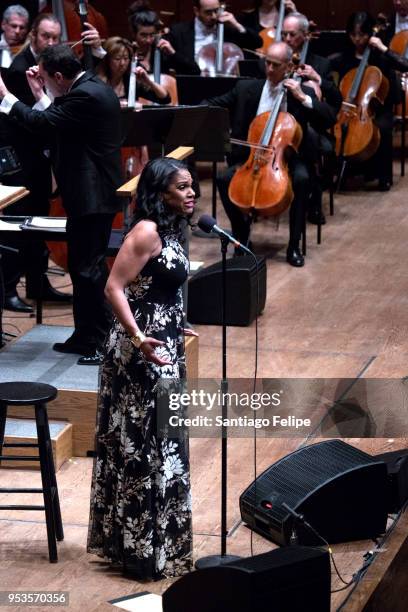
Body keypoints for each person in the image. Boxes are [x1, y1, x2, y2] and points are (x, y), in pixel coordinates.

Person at [87, 157, 195, 580]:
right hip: (140, 351)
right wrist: (137, 336)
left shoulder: (173, 229)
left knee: (165, 444)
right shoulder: (146, 231)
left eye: (191, 186)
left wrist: (174, 316)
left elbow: (155, 285)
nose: (190, 194)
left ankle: (160, 544)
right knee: (144, 447)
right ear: (160, 192)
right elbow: (114, 287)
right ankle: (141, 550)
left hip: (164, 344)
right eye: (182, 187)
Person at [0, 44, 123, 363]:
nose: (43, 82)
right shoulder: (90, 86)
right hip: (88, 196)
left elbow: (43, 124)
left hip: (93, 198)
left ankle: (100, 341)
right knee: (82, 269)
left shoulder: (86, 95)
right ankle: (84, 336)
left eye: (45, 77)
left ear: (58, 75)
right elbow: (58, 122)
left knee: (89, 270)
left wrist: (4, 96)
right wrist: (39, 90)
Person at [203, 41, 336, 267]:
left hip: (288, 158)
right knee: (224, 179)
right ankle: (242, 236)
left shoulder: (301, 93)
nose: (270, 69)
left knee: (303, 180)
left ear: (288, 67)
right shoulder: (247, 89)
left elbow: (329, 118)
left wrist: (303, 98)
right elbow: (215, 103)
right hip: (252, 157)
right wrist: (193, 110)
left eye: (276, 65)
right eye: (268, 63)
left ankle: (294, 245)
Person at [330, 11, 408, 191]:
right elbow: (326, 65)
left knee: (383, 128)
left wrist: (384, 48)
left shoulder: (380, 56)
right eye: (353, 34)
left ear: (370, 34)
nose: (357, 39)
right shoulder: (345, 56)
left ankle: (383, 176)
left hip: (377, 108)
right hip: (350, 108)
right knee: (339, 128)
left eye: (362, 34)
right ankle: (344, 173)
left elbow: (405, 65)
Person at [281, 11, 342, 224]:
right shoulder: (277, 59)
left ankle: (314, 200)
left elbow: (334, 103)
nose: (287, 40)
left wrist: (317, 80)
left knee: (317, 145)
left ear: (306, 35)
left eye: (292, 35)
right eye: (283, 35)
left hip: (311, 124)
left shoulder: (321, 64)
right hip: (280, 123)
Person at [166, 0, 262, 75]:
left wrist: (237, 25)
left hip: (226, 87)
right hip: (192, 83)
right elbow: (176, 65)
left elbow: (257, 43)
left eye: (216, 10)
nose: (214, 16)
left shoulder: (228, 29)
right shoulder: (178, 31)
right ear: (196, 11)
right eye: (208, 12)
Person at [97, 36, 170, 105]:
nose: (122, 63)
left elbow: (165, 99)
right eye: (117, 58)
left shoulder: (131, 81)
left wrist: (148, 81)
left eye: (126, 58)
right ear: (107, 60)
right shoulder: (97, 83)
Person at [0, 4, 29, 68]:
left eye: (22, 27)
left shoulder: (29, 50)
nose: (17, 31)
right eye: (13, 26)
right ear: (3, 24)